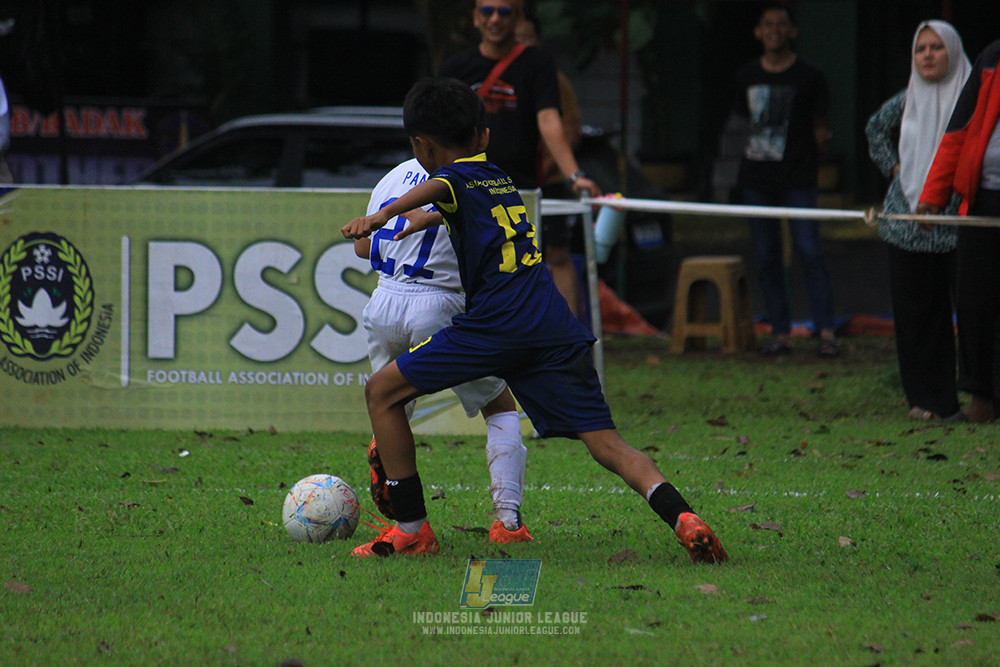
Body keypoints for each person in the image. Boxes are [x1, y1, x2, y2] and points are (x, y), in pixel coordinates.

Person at [341, 77, 728, 564]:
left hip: (495, 329)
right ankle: (682, 516)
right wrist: (415, 221)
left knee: (382, 392)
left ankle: (412, 529)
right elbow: (447, 209)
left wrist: (380, 218)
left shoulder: (451, 179)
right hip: (552, 325)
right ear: (484, 137)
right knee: (608, 444)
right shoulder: (499, 179)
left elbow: (439, 187)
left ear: (421, 145)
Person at [355, 157, 531, 543]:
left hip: (384, 302)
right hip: (441, 304)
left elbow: (363, 248)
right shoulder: (475, 179)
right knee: (499, 406)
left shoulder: (393, 177)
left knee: (391, 406)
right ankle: (508, 523)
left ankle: (404, 512)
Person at [439, 0, 601, 318]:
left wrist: (573, 175)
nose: (495, 19)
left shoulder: (538, 62)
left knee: (554, 256)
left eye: (504, 11)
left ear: (518, 18)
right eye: (487, 11)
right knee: (465, 260)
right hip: (467, 187)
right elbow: (439, 129)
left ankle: (565, 342)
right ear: (475, 18)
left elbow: (550, 121)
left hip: (526, 185)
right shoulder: (455, 68)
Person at [864, 21, 970, 421]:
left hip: (960, 227)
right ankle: (926, 400)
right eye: (920, 48)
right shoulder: (908, 98)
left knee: (973, 316)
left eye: (936, 47)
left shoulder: (972, 99)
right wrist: (895, 169)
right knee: (916, 318)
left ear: (954, 52)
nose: (927, 55)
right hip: (904, 226)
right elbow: (876, 128)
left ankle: (978, 397)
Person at [733, 4, 839, 358]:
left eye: (781, 24)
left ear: (793, 31)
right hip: (757, 178)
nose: (774, 30)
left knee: (810, 251)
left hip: (798, 177)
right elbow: (744, 119)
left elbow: (821, 124)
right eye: (767, 24)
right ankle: (780, 333)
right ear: (757, 32)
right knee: (766, 255)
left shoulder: (810, 75)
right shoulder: (746, 75)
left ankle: (826, 332)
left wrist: (815, 153)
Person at [918, 37, 1000, 424]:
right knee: (976, 301)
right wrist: (933, 192)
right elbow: (959, 129)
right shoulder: (992, 57)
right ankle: (982, 399)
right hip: (984, 199)